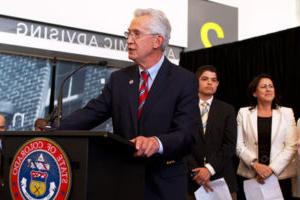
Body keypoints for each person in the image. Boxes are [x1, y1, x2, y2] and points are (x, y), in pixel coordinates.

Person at [59, 8, 199, 200]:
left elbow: (187, 134)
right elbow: (92, 113)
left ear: (157, 41)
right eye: (128, 33)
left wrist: (156, 142)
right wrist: (54, 129)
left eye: (136, 34)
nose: (129, 40)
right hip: (123, 180)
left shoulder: (184, 80)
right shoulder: (119, 79)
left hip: (164, 184)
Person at [236, 74, 297, 199]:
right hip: (250, 175)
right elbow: (239, 145)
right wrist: (255, 165)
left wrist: (271, 169)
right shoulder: (243, 113)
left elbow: (291, 146)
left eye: (271, 86)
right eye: (263, 87)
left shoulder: (287, 112)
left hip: (279, 176)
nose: (268, 89)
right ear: (254, 93)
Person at [185, 65, 237, 200]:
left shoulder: (227, 110)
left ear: (217, 84)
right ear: (195, 82)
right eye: (205, 79)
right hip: (191, 181)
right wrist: (196, 173)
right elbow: (181, 143)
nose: (209, 82)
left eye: (213, 80)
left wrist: (209, 169)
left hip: (222, 180)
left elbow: (230, 145)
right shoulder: (184, 108)